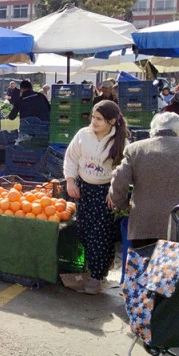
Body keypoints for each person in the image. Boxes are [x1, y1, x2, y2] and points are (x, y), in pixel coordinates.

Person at [109, 112, 179, 251]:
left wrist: (123, 205)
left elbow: (119, 179)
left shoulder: (135, 149)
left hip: (143, 224)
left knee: (145, 270)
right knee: (178, 271)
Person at [62, 100, 129, 295]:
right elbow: (71, 157)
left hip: (106, 194)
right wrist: (70, 180)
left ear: (112, 121)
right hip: (83, 190)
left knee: (100, 235)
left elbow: (124, 170)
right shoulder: (83, 135)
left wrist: (114, 191)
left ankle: (96, 277)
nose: (94, 121)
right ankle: (97, 270)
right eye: (93, 117)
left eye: (99, 119)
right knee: (84, 231)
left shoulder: (121, 141)